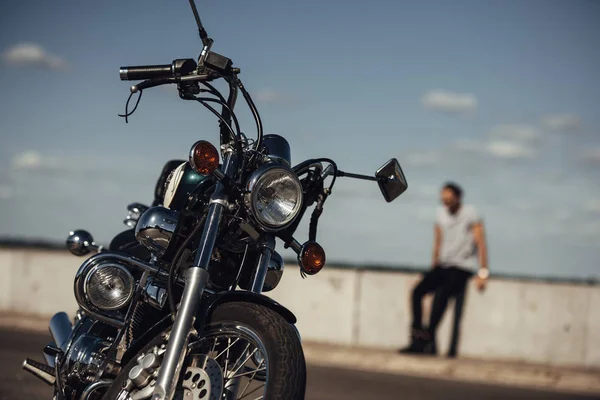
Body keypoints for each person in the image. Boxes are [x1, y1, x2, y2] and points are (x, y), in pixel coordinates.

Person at [399, 181, 489, 357]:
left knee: (440, 298)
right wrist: (433, 267)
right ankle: (417, 335)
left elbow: (481, 243)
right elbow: (438, 242)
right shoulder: (440, 213)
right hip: (442, 265)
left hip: (461, 267)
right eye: (443, 200)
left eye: (449, 199)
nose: (446, 203)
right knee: (417, 291)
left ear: (458, 197)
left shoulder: (471, 213)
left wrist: (483, 273)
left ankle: (427, 338)